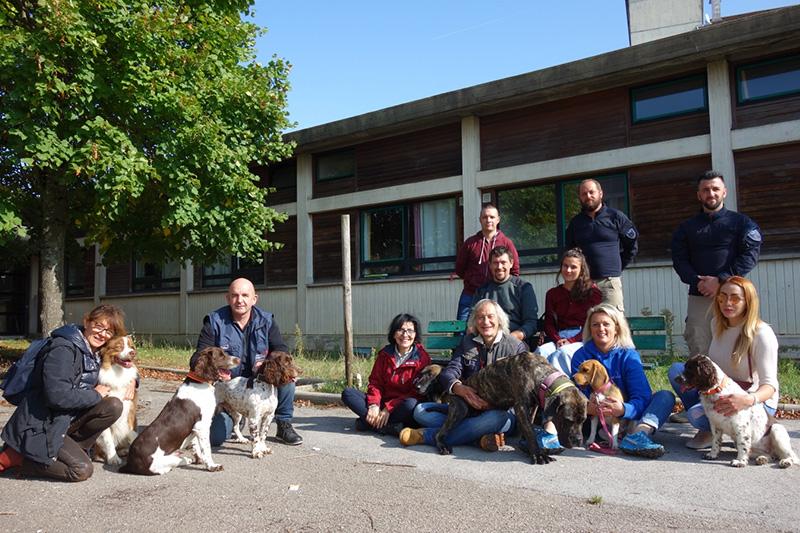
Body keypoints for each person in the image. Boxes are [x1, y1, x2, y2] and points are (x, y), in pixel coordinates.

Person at [400, 299, 562, 453]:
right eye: (480, 317)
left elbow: (526, 393)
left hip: (502, 413)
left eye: (490, 317)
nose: (486, 322)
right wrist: (459, 388)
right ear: (474, 322)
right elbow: (451, 371)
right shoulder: (467, 343)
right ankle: (478, 438)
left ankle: (428, 436)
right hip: (468, 407)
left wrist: (492, 404)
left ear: (499, 320)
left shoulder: (515, 347)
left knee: (493, 419)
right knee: (420, 411)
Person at [0, 305, 130, 481]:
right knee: (81, 470)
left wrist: (133, 382)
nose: (102, 334)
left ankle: (72, 448)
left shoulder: (94, 350)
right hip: (42, 423)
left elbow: (119, 362)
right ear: (87, 322)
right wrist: (96, 395)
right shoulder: (63, 349)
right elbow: (57, 396)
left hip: (66, 419)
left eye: (109, 331)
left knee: (113, 405)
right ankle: (23, 460)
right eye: (99, 326)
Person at [668, 276, 778, 450]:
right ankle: (713, 429)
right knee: (676, 370)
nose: (727, 302)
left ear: (748, 301)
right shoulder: (716, 324)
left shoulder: (762, 334)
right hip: (720, 391)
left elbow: (770, 387)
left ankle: (723, 428)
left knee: (695, 416)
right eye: (722, 296)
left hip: (752, 400)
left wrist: (747, 400)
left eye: (735, 298)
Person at [192, 277, 302, 446]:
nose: (240, 300)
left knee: (285, 373)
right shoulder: (214, 322)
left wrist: (265, 365)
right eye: (235, 295)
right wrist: (217, 372)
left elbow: (281, 349)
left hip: (258, 383)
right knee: (216, 438)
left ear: (254, 299)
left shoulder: (267, 321)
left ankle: (283, 423)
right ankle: (236, 416)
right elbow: (198, 359)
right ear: (228, 298)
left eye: (245, 295)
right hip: (229, 389)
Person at [671, 170, 762, 358]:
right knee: (699, 346)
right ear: (699, 195)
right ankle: (703, 387)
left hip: (733, 295)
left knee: (737, 345)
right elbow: (679, 261)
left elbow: (750, 255)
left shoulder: (742, 223)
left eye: (715, 189)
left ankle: (737, 386)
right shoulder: (686, 228)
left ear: (724, 192)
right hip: (699, 295)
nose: (710, 193)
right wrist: (699, 282)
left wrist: (721, 280)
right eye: (705, 190)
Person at [571, 303, 675, 458]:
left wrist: (623, 409)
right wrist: (588, 408)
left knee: (666, 396)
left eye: (606, 324)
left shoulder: (628, 355)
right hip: (593, 419)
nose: (601, 329)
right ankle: (611, 437)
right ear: (589, 329)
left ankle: (639, 436)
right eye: (595, 325)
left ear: (617, 328)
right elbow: (574, 394)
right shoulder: (581, 356)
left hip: (628, 416)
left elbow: (642, 397)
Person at [341, 314, 431, 436]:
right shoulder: (385, 354)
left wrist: (389, 408)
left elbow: (416, 392)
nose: (405, 335)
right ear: (394, 334)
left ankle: (369, 423)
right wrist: (374, 405)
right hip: (381, 403)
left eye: (410, 330)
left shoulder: (421, 358)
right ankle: (389, 427)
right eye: (400, 330)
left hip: (402, 407)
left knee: (411, 403)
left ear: (415, 335)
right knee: (348, 393)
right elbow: (375, 382)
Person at [565, 179, 638, 311]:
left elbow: (632, 246)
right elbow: (569, 253)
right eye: (584, 194)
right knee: (586, 326)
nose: (588, 196)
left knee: (613, 325)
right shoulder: (575, 223)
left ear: (600, 193)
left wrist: (617, 266)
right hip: (584, 285)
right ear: (580, 197)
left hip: (609, 283)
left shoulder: (616, 217)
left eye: (591, 192)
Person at [536, 248, 602, 374]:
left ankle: (561, 390)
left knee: (562, 353)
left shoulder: (593, 293)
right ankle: (539, 390)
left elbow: (592, 324)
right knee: (541, 352)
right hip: (559, 337)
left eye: (573, 267)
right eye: (565, 266)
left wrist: (571, 341)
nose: (568, 270)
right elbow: (549, 323)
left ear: (581, 270)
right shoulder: (552, 294)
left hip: (583, 337)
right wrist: (557, 339)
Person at [453, 203, 520, 321]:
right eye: (485, 217)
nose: (488, 220)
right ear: (480, 220)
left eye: (492, 217)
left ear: (498, 219)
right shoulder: (470, 243)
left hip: (497, 295)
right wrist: (472, 279)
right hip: (471, 294)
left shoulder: (507, 243)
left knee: (495, 330)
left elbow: (514, 270)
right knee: (462, 332)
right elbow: (459, 268)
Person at [471, 246, 538, 347]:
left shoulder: (523, 288)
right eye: (495, 263)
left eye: (503, 262)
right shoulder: (482, 290)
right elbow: (472, 320)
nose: (499, 267)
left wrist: (513, 337)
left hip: (514, 342)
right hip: (485, 341)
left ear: (511, 263)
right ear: (489, 265)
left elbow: (531, 323)